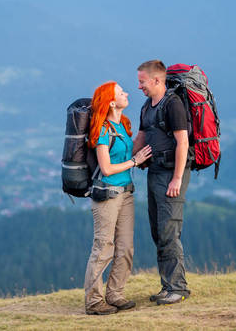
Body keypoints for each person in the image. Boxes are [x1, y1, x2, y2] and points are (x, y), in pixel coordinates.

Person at [84, 81, 152, 315]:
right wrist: (135, 162)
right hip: (107, 195)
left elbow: (128, 151)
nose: (126, 93)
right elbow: (107, 168)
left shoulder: (122, 125)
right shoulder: (102, 130)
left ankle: (115, 294)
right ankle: (93, 302)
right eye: (121, 92)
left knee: (125, 247)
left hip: (126, 194)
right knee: (103, 247)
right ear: (111, 102)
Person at [133, 59, 192, 305]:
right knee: (158, 231)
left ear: (157, 80)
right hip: (154, 172)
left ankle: (177, 288)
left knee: (169, 230)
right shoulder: (147, 106)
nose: (139, 87)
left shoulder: (173, 104)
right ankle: (167, 286)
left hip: (171, 174)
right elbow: (142, 136)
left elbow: (183, 142)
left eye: (142, 81)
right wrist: (126, 162)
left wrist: (177, 178)